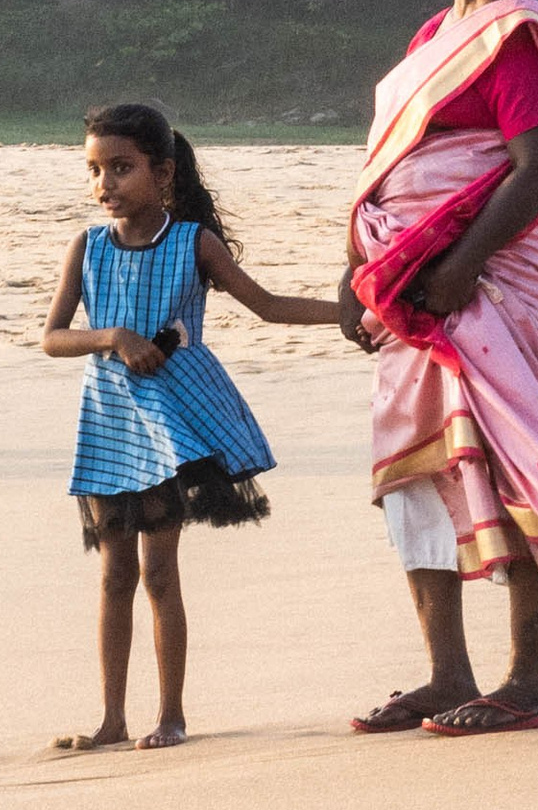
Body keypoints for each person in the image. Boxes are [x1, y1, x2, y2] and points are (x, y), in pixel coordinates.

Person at [340, 0, 538, 737]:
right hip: (413, 294)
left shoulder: (514, 32)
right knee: (414, 473)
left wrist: (458, 268)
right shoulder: (437, 36)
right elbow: (399, 170)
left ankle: (527, 680)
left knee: (505, 459)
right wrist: (359, 272)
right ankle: (444, 673)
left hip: (486, 288)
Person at [42, 102, 339, 752]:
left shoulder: (192, 243)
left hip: (170, 426)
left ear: (165, 173)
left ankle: (171, 714)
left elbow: (266, 305)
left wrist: (350, 312)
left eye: (121, 168)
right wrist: (113, 336)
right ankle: (111, 719)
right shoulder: (86, 247)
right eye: (94, 170)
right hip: (109, 425)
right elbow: (53, 337)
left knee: (159, 574)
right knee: (113, 576)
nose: (104, 186)